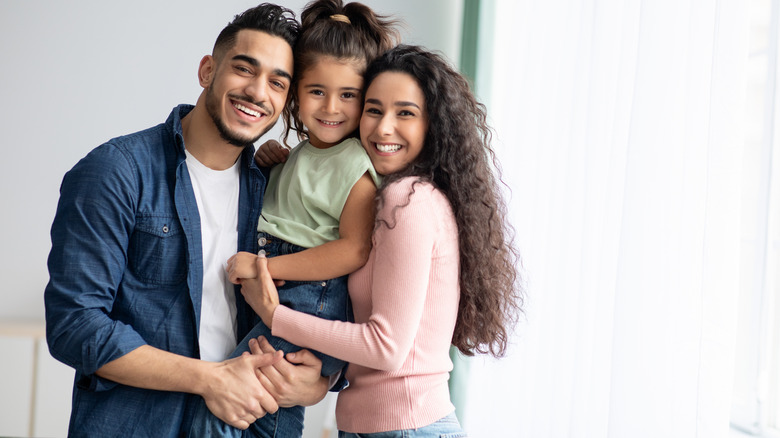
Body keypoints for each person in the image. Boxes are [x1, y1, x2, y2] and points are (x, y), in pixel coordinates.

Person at [43, 4, 331, 437]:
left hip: (249, 426)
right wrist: (210, 379)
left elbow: (324, 290)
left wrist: (322, 382)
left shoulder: (274, 186)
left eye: (277, 82)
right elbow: (74, 325)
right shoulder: (116, 171)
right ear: (206, 70)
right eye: (243, 69)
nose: (257, 92)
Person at [241, 44, 524, 437]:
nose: (383, 127)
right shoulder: (387, 196)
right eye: (374, 110)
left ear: (433, 124)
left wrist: (276, 316)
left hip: (407, 426)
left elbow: (385, 347)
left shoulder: (408, 200)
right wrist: (325, 379)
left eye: (405, 113)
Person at [189, 1, 398, 436]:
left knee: (233, 410)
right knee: (261, 411)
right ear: (295, 94)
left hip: (309, 297)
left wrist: (264, 268)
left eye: (349, 96)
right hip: (285, 294)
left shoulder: (354, 163)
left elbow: (353, 248)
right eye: (317, 91)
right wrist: (272, 164)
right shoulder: (301, 154)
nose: (331, 108)